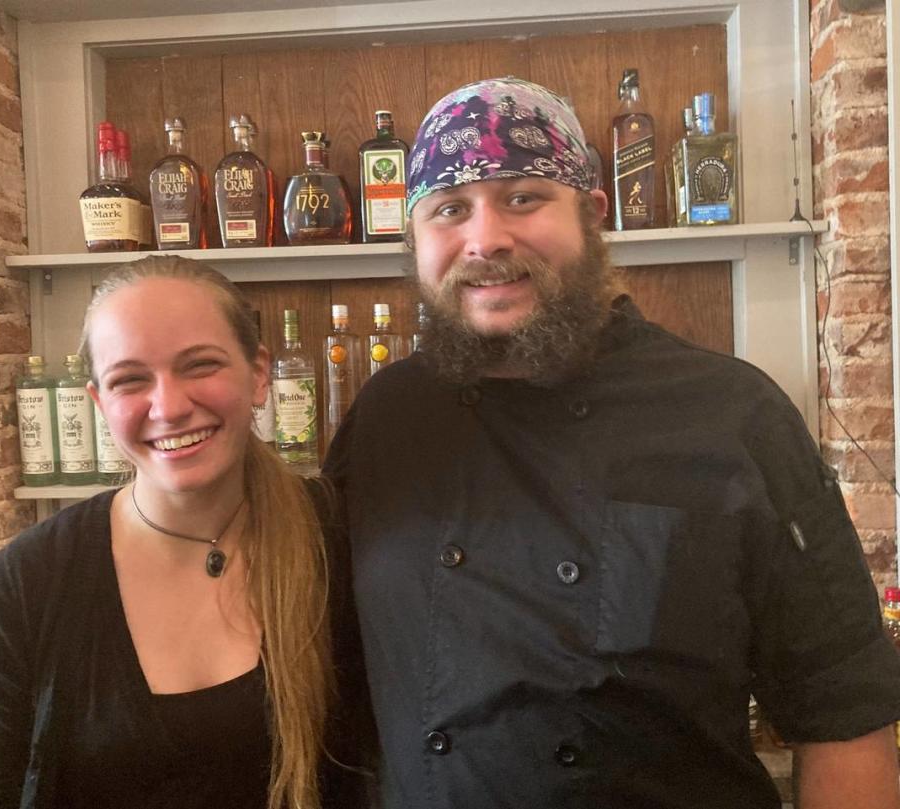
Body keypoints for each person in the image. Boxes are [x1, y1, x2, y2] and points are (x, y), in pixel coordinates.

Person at [323, 77, 900, 809]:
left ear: (594, 215)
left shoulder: (733, 412)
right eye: (449, 210)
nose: (486, 237)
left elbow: (843, 711)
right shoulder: (386, 417)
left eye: (524, 197)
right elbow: (323, 676)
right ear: (416, 239)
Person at [0, 255, 369, 809]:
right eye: (130, 380)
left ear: (260, 373)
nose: (169, 406)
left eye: (200, 366)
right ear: (99, 403)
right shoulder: (19, 592)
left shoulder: (346, 540)